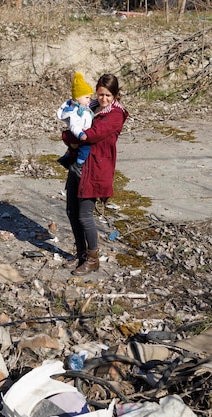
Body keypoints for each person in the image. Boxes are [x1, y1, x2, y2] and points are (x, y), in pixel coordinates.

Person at [61, 73, 129, 276]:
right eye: (100, 94)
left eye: (108, 95)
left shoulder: (115, 114)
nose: (104, 99)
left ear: (115, 95)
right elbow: (68, 131)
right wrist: (69, 137)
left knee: (85, 215)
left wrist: (73, 137)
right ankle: (81, 253)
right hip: (78, 165)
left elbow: (92, 135)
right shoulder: (90, 107)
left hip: (96, 169)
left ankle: (93, 259)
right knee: (72, 212)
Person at [56, 72, 94, 169]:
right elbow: (74, 125)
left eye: (89, 98)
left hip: (80, 132)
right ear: (77, 97)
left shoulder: (82, 107)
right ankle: (79, 165)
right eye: (87, 97)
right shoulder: (75, 111)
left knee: (73, 147)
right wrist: (80, 134)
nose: (89, 100)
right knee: (85, 148)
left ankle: (65, 158)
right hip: (79, 133)